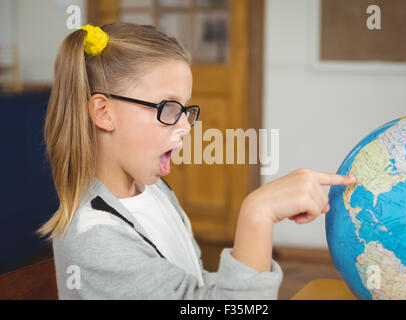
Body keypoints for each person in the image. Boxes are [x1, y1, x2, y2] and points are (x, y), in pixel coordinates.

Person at [37, 23, 356, 299]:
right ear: (104, 113)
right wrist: (256, 216)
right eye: (168, 107)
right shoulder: (95, 240)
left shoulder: (156, 192)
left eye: (186, 109)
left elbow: (193, 288)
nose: (186, 126)